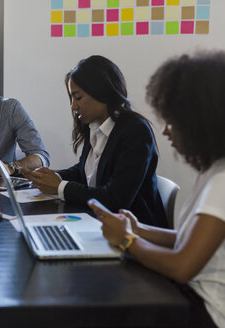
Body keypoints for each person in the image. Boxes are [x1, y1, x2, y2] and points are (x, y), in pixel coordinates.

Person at [88, 52, 225, 328]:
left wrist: (128, 240)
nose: (165, 131)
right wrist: (138, 228)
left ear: (201, 123)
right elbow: (187, 240)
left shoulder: (221, 181)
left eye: (172, 122)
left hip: (206, 311)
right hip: (190, 296)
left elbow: (182, 266)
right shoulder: (212, 171)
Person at [21, 55, 167, 228]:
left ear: (101, 91)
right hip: (99, 224)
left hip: (134, 233)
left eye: (78, 97)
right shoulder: (96, 125)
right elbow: (86, 171)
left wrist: (60, 187)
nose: (73, 106)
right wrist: (49, 176)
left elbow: (115, 199)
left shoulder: (135, 131)